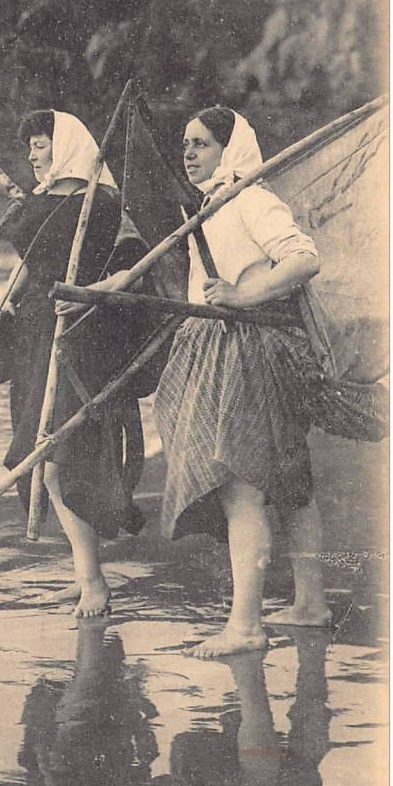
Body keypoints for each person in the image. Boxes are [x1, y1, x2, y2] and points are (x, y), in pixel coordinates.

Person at [153, 107, 331, 658]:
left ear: (230, 150)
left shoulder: (250, 197)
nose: (189, 154)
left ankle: (247, 627)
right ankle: (310, 604)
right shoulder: (213, 205)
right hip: (236, 346)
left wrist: (242, 295)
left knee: (240, 487)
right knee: (287, 483)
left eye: (201, 144)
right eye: (185, 143)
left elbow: (304, 258)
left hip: (252, 349)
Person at [3, 110, 147, 618]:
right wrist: (7, 304)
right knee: (42, 456)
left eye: (40, 145)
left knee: (60, 455)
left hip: (79, 333)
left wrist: (92, 293)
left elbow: (135, 264)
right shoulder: (38, 201)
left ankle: (93, 581)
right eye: (30, 147)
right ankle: (86, 573)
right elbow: (31, 262)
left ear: (63, 145)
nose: (32, 155)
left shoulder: (102, 202)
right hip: (35, 333)